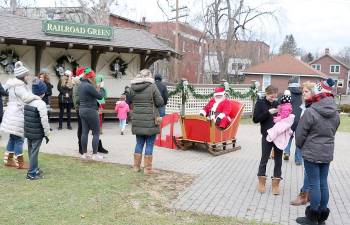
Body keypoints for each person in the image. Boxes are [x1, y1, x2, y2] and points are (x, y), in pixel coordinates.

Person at [295, 78, 340, 225]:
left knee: (314, 184)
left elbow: (300, 134)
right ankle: (321, 218)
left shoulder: (311, 111)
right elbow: (334, 131)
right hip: (327, 153)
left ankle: (312, 218)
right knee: (323, 183)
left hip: (312, 153)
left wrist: (301, 146)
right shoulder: (335, 113)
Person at [1, 61, 40, 169]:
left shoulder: (15, 84)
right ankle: (20, 162)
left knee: (13, 138)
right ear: (22, 76)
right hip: (17, 114)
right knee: (19, 138)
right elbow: (26, 98)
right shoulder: (19, 86)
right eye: (27, 75)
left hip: (12, 113)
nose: (28, 77)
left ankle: (8, 159)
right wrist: (37, 97)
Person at [130, 69, 164, 174]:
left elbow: (130, 100)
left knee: (139, 143)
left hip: (137, 119)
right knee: (149, 144)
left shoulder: (133, 88)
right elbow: (160, 102)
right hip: (150, 120)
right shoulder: (152, 87)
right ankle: (147, 169)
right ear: (149, 76)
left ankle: (136, 167)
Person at [253, 85, 283, 195]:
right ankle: (261, 182)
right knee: (264, 158)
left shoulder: (277, 103)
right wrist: (268, 113)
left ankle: (276, 184)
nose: (273, 99)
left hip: (278, 136)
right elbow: (255, 119)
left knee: (278, 160)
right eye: (271, 96)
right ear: (266, 93)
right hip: (266, 135)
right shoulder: (260, 103)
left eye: (274, 97)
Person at [290, 81, 315, 206]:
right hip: (306, 143)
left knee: (308, 171)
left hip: (310, 144)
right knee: (309, 171)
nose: (303, 94)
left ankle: (304, 195)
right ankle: (308, 193)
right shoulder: (306, 106)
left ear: (313, 92)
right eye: (303, 92)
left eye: (306, 91)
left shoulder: (312, 107)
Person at [73, 67, 108, 156]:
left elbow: (78, 100)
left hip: (82, 110)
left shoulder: (80, 85)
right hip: (91, 110)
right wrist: (99, 88)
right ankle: (95, 155)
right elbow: (100, 97)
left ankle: (84, 154)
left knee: (84, 132)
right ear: (91, 77)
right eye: (93, 77)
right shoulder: (89, 86)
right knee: (96, 133)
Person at [24, 77, 50, 180]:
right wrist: (47, 134)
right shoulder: (41, 104)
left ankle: (34, 168)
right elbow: (44, 120)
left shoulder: (27, 101)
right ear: (42, 93)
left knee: (31, 151)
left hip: (28, 131)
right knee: (34, 152)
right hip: (37, 133)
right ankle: (31, 173)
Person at [283, 77, 303, 165]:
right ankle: (298, 159)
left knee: (289, 135)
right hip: (301, 119)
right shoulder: (302, 93)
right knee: (299, 139)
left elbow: (283, 104)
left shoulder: (287, 93)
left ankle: (286, 151)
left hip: (290, 118)